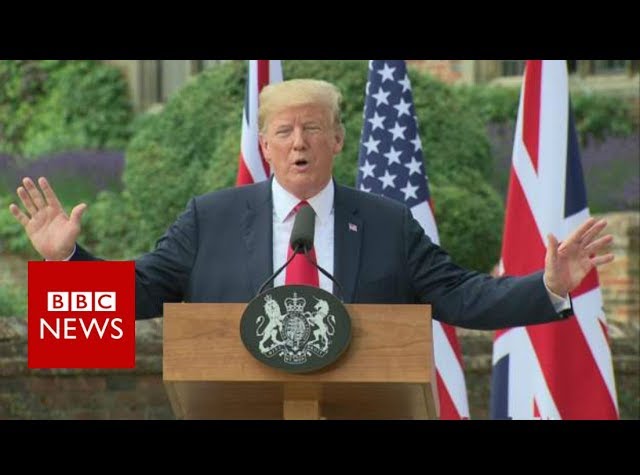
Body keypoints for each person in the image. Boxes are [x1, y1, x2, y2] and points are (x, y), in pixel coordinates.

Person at [8, 79, 614, 329]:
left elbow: (461, 295)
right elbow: (140, 292)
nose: (299, 142)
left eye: (313, 129)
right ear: (265, 147)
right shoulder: (210, 220)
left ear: (338, 140)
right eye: (285, 132)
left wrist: (548, 286)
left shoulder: (387, 224)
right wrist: (68, 262)